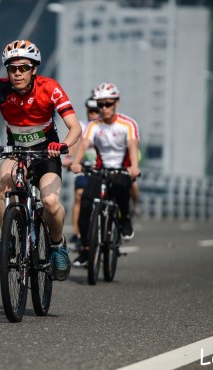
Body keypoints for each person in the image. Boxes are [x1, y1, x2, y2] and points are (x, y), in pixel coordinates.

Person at [0, 39, 82, 281]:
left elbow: (75, 127)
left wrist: (62, 145)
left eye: (23, 68)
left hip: (46, 152)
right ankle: (6, 241)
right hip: (16, 151)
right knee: (3, 186)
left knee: (50, 202)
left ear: (34, 69)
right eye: (12, 68)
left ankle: (57, 246)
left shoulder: (50, 87)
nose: (17, 73)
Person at [70, 82, 141, 267]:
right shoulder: (94, 126)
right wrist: (76, 163)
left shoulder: (128, 124)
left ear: (116, 103)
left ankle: (125, 219)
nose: (104, 108)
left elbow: (133, 146)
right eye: (100, 104)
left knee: (120, 187)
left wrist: (134, 166)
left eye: (108, 104)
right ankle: (86, 248)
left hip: (121, 169)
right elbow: (84, 144)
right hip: (100, 170)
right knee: (85, 204)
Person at [63, 97, 100, 252]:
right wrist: (69, 159)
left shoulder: (107, 126)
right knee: (79, 195)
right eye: (91, 111)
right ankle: (77, 234)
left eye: (96, 111)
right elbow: (74, 144)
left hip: (102, 169)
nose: (94, 114)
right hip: (84, 168)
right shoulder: (82, 126)